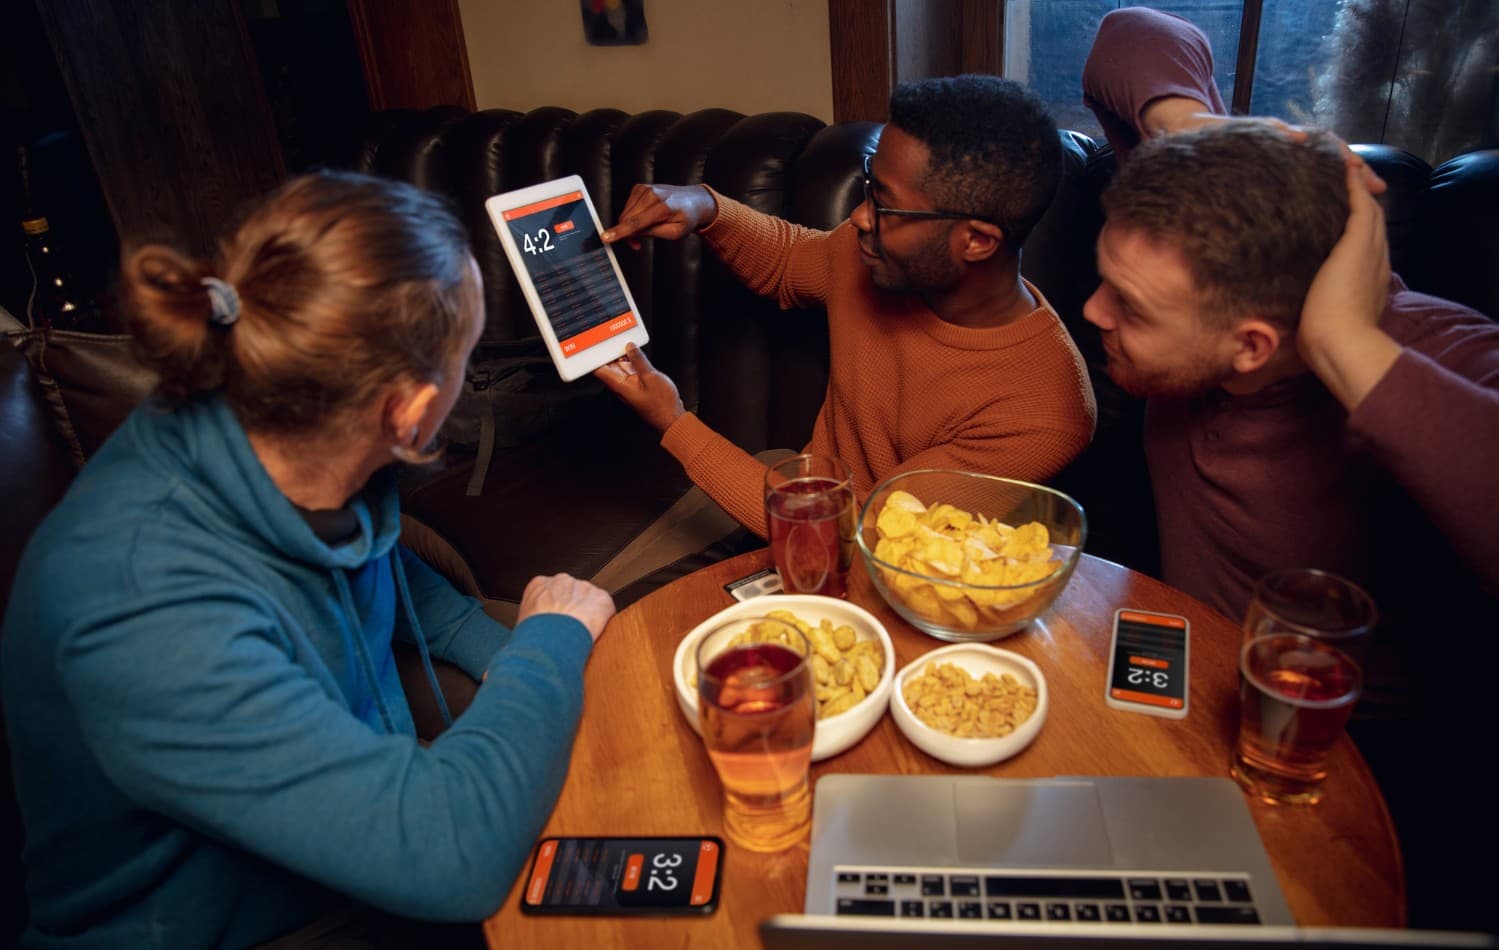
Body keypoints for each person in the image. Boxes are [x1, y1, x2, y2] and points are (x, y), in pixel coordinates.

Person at [0, 171, 615, 948]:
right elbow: (452, 855)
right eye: (466, 357)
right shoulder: (139, 611)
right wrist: (545, 644)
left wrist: (492, 643)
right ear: (413, 411)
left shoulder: (282, 423)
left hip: (327, 871)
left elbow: (366, 555)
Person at [1081, 10, 1499, 931]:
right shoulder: (1195, 255)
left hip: (1371, 763)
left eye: (1130, 308)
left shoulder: (1439, 349)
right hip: (1188, 687)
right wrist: (1207, 143)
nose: (1092, 309)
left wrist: (1344, 344)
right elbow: (1129, 31)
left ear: (1253, 345)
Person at [592, 75, 1097, 547]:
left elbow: (856, 531)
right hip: (793, 487)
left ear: (978, 241)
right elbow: (790, 260)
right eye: (869, 188)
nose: (858, 217)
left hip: (874, 561)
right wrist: (703, 206)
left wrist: (673, 422)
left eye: (886, 204)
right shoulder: (876, 256)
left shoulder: (1045, 410)